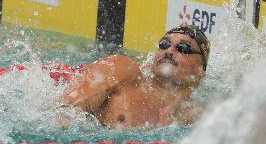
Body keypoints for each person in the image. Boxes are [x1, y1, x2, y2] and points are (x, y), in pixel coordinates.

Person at [62, 24, 210, 129]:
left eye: (183, 47)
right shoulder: (122, 69)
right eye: (164, 44)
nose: (169, 51)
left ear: (200, 70)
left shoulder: (191, 118)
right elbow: (64, 111)